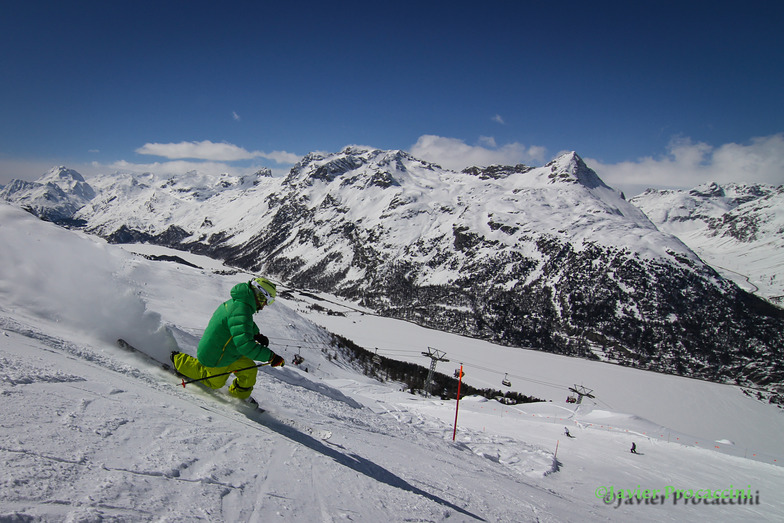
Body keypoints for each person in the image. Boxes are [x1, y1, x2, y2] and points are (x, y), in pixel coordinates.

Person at [171, 276, 285, 403]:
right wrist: (271, 357)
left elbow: (244, 324)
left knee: (249, 371)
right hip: (215, 356)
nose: (265, 306)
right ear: (260, 295)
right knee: (215, 383)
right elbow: (245, 345)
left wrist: (256, 334)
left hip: (229, 351)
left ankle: (238, 397)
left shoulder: (242, 305)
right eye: (267, 301)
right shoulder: (240, 308)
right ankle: (178, 361)